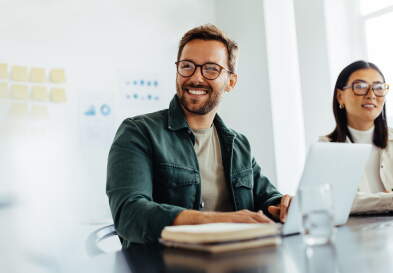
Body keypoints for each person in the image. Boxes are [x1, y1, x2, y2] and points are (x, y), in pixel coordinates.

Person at [106, 24, 291, 246]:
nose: (196, 78)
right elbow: (129, 214)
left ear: (231, 82)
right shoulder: (138, 132)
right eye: (187, 66)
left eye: (211, 69)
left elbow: (265, 197)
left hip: (236, 261)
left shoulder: (238, 143)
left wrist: (283, 205)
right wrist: (218, 221)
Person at [320, 60, 393, 213]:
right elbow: (337, 201)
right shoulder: (326, 148)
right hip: (353, 234)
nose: (371, 95)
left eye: (378, 88)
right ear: (340, 96)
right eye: (360, 87)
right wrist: (388, 200)